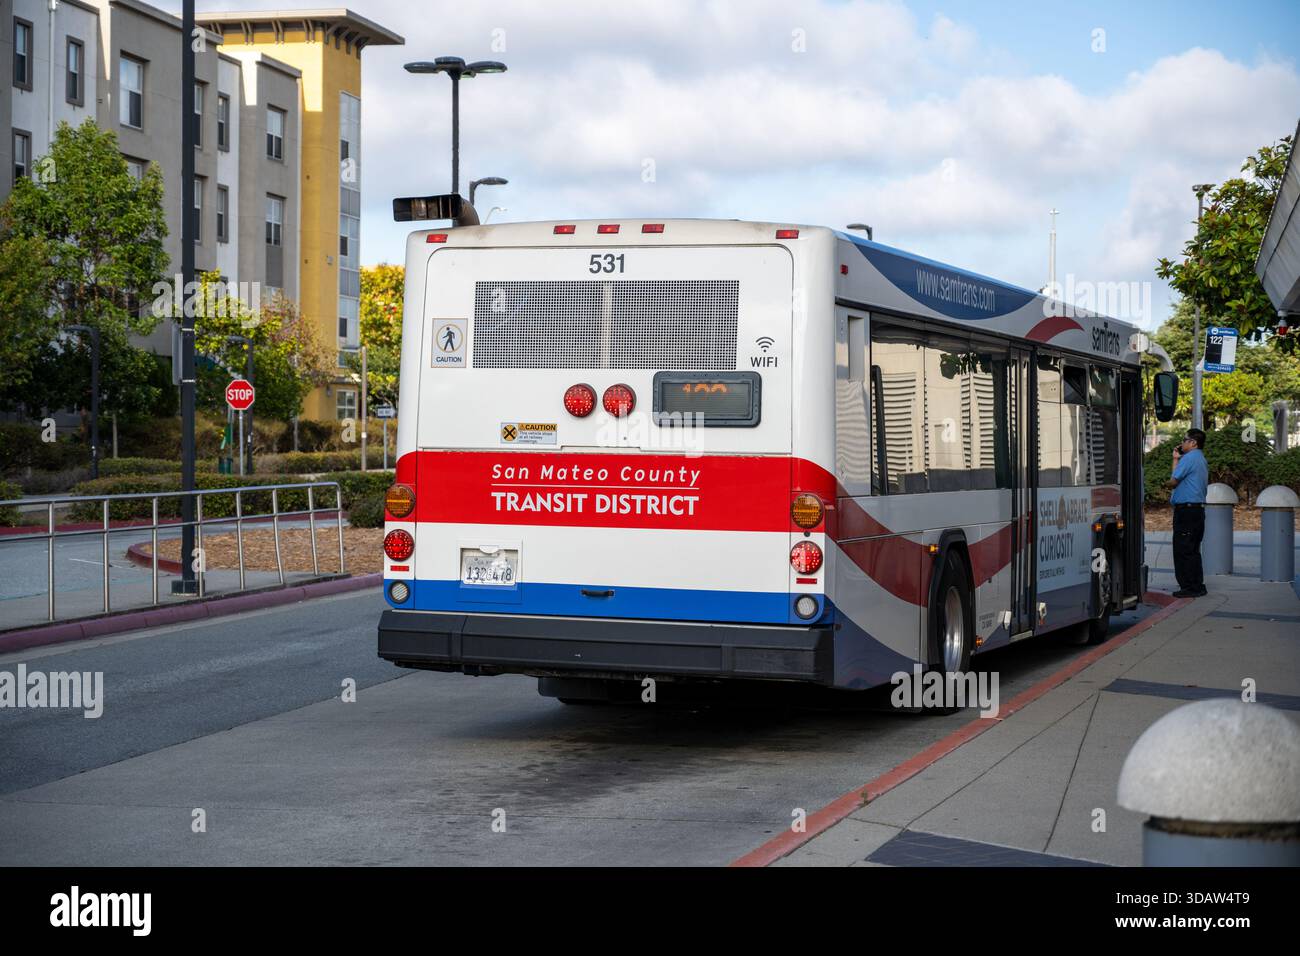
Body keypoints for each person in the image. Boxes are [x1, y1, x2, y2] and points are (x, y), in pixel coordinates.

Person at [1167, 428, 1209, 598]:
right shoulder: (1199, 458)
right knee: (1192, 549)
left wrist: (1163, 484)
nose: (1182, 443)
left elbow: (1173, 481)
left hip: (1187, 511)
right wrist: (1176, 458)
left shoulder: (1190, 458)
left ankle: (1190, 587)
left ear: (1193, 443)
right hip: (1196, 510)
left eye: (1184, 440)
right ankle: (1196, 585)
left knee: (1183, 549)